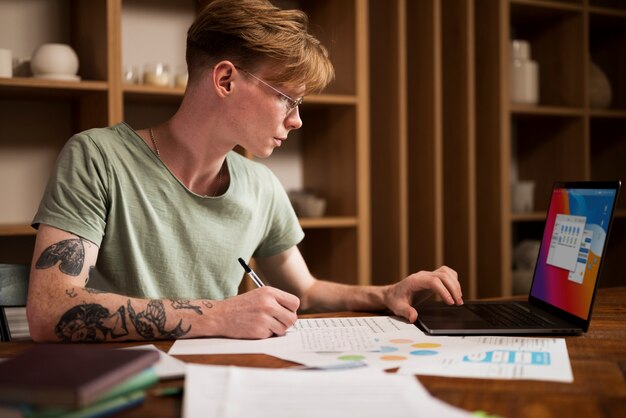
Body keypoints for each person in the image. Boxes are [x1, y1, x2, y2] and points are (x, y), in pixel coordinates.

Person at [26, 0, 463, 343]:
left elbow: (305, 292)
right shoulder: (97, 157)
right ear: (225, 80)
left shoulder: (261, 187)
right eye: (287, 98)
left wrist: (384, 294)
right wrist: (219, 314)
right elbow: (49, 312)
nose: (296, 120)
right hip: (122, 386)